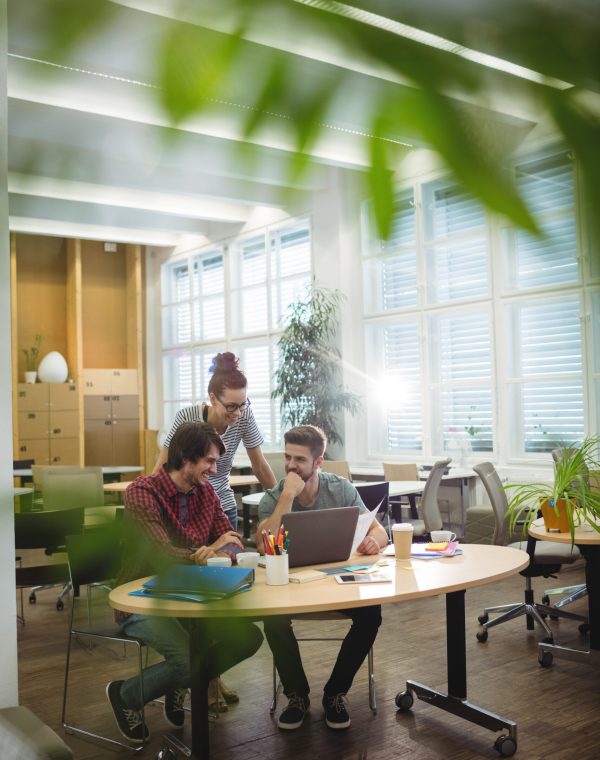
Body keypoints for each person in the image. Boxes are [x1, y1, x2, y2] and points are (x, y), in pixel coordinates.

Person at [107, 421, 263, 743]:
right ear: (187, 458)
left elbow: (232, 540)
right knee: (186, 661)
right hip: (141, 599)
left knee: (247, 637)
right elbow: (160, 552)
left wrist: (223, 548)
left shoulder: (206, 493)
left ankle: (179, 683)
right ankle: (125, 695)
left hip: (192, 597)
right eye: (209, 461)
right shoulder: (142, 492)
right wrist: (204, 553)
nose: (215, 469)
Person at [154, 352, 276, 709]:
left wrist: (281, 499)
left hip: (220, 505)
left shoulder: (245, 415)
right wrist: (152, 502)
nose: (237, 413)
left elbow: (259, 462)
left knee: (220, 598)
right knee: (196, 598)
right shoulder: (188, 418)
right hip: (186, 508)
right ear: (212, 398)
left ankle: (212, 676)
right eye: (231, 407)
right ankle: (204, 683)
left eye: (243, 405)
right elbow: (162, 466)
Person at [256, 425, 388, 731]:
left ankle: (335, 693)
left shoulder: (339, 489)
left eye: (299, 460)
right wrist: (288, 496)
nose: (290, 465)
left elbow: (378, 530)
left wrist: (374, 542)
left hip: (335, 585)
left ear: (318, 462)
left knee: (371, 615)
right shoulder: (276, 495)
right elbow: (264, 545)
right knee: (272, 618)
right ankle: (297, 696)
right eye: (287, 457)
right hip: (287, 589)